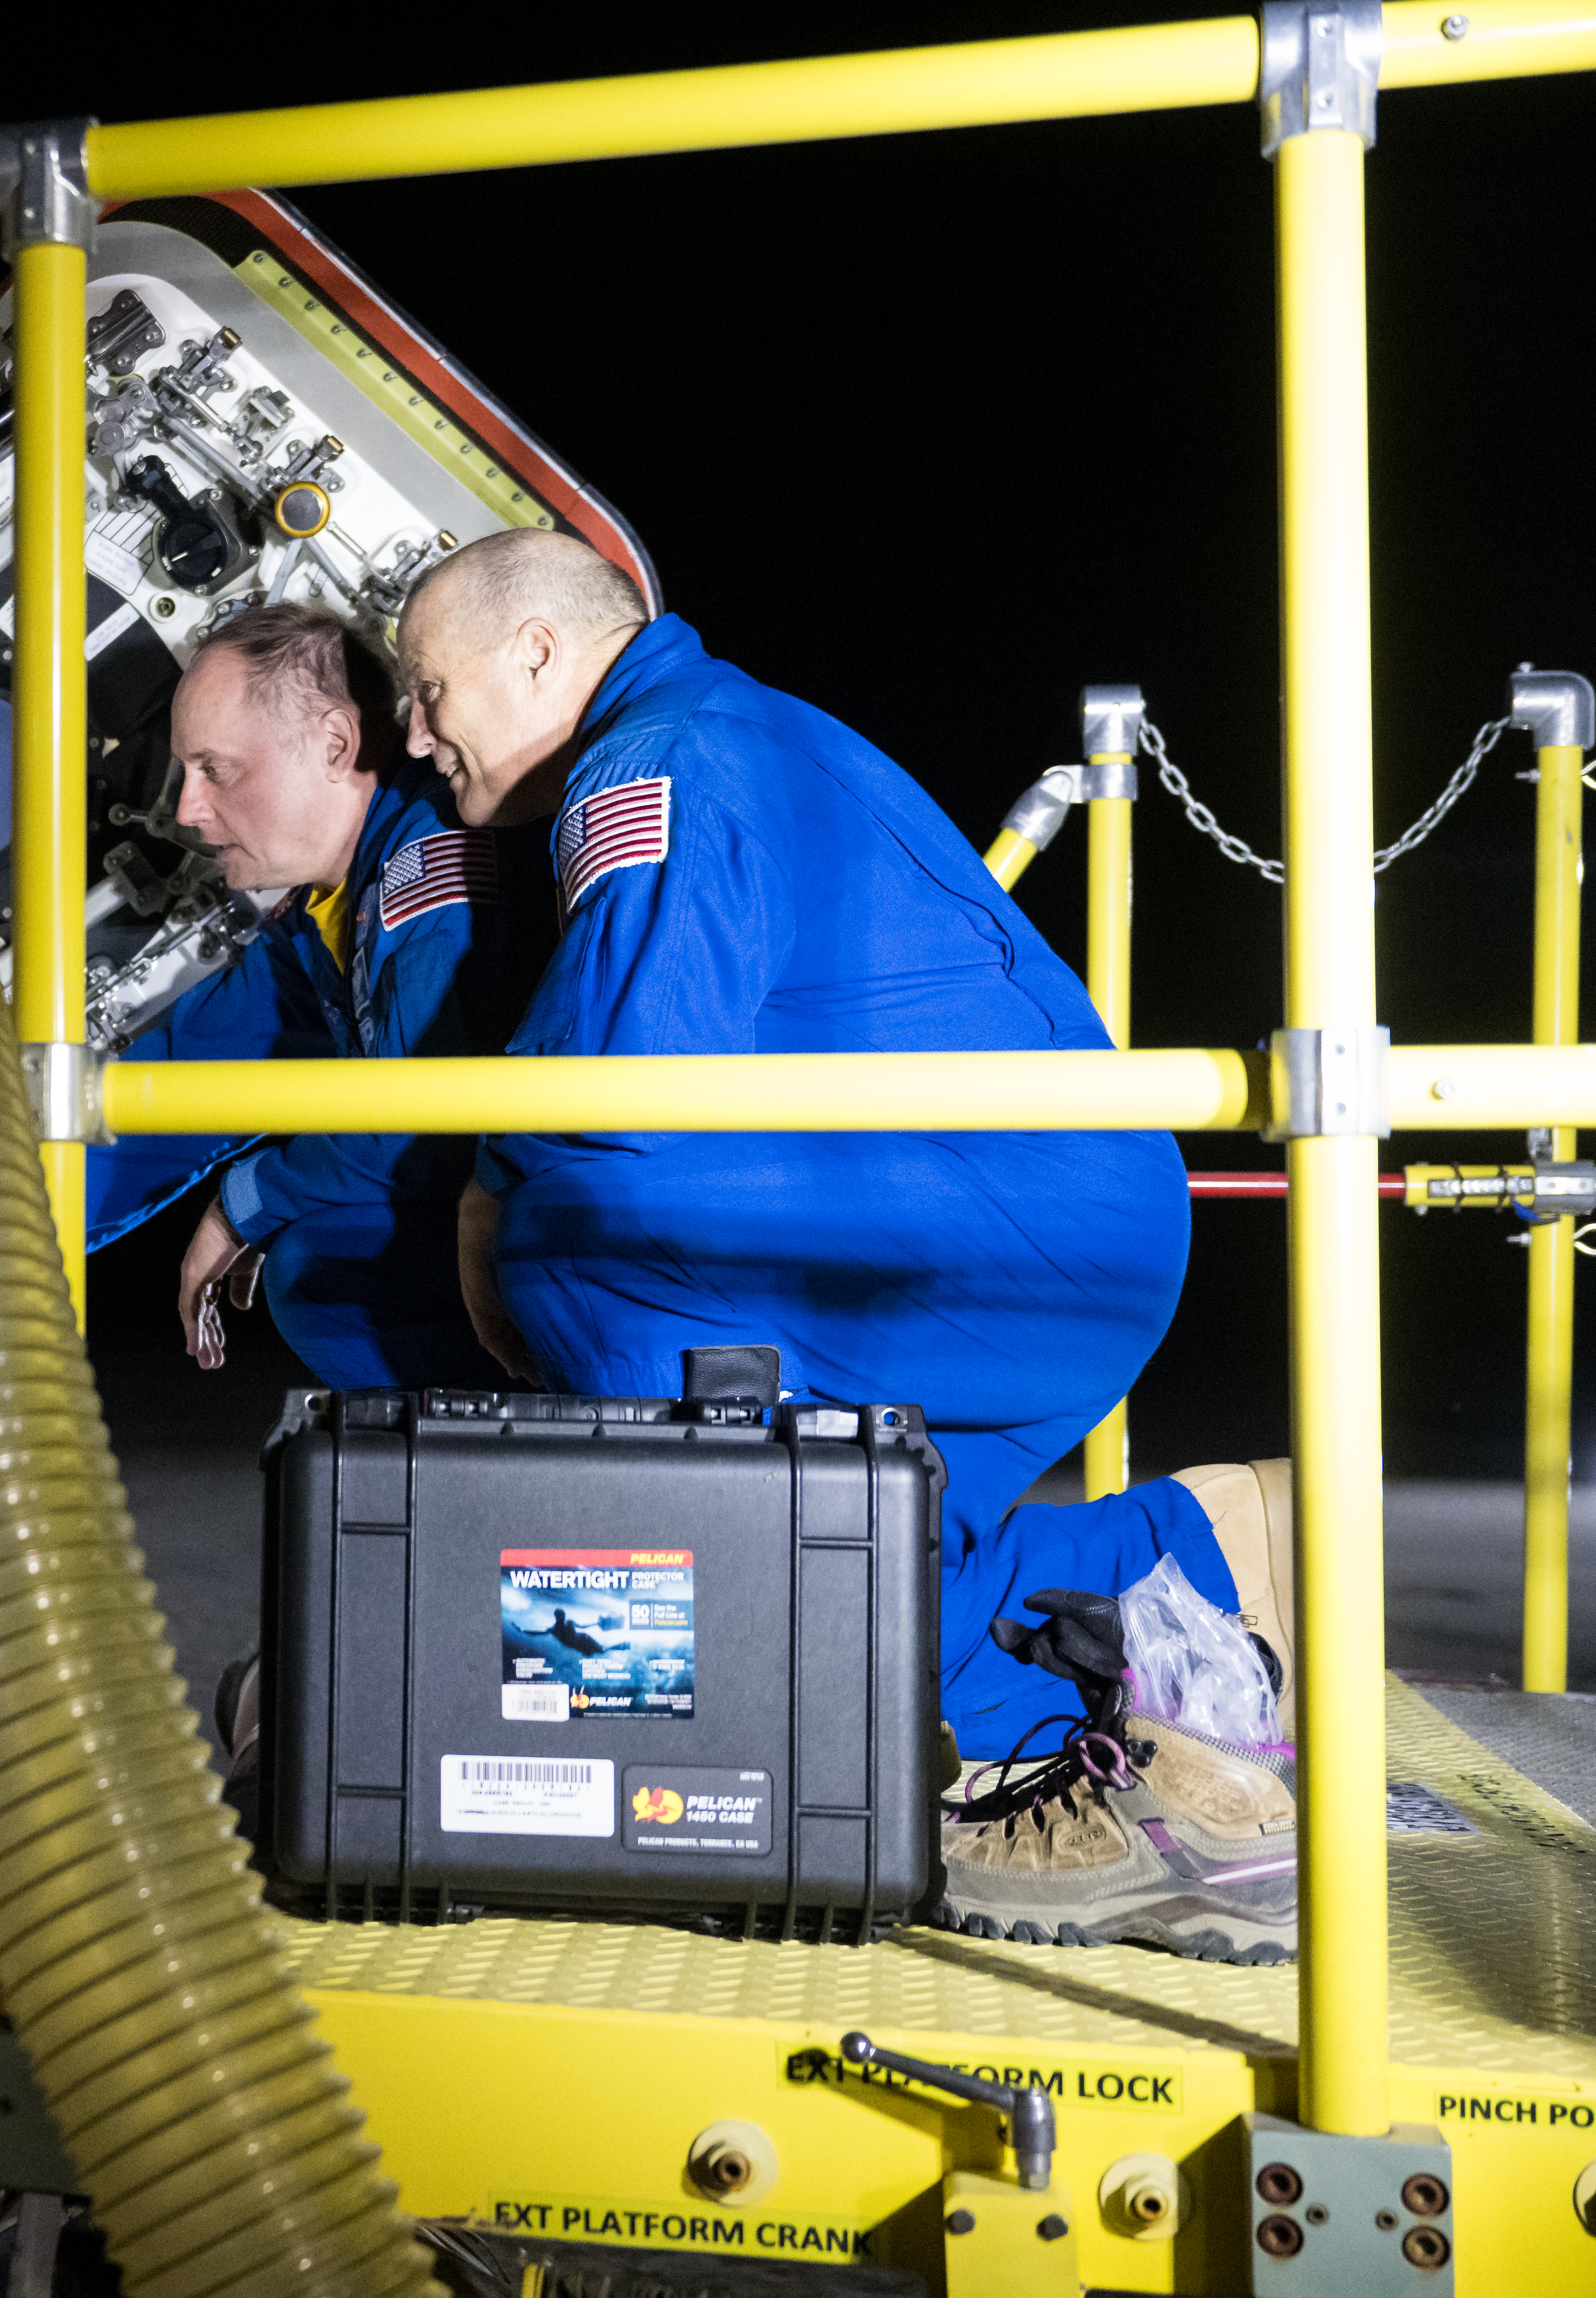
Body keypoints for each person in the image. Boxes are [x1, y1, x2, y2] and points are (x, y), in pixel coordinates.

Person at [402, 527, 1299, 1961]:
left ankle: (682, 1692)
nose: (414, 731)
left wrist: (481, 1187)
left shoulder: (652, 764)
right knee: (871, 1570)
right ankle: (1178, 1569)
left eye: (427, 686)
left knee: (569, 1237)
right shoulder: (720, 727)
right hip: (1042, 1222)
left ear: (536, 653)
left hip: (991, 1231)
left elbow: (619, 1076)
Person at [84, 602, 543, 1392]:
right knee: (321, 1261)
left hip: (628, 1235)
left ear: (334, 744)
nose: (187, 810)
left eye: (216, 770)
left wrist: (245, 1201)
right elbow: (161, 1099)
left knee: (322, 1268)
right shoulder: (322, 917)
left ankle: (544, 1472)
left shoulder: (430, 873)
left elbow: (423, 1126)